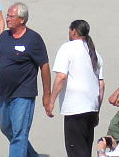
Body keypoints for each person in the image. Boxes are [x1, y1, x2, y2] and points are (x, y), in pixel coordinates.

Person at [0, 2, 51, 157]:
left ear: (22, 19)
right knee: (5, 127)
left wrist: (47, 94)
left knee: (19, 133)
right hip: (4, 91)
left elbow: (44, 66)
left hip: (24, 92)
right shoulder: (4, 36)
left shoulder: (33, 39)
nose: (7, 19)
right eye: (8, 16)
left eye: (11, 16)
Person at [47, 20, 104, 157]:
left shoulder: (67, 48)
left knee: (76, 152)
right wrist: (97, 111)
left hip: (75, 108)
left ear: (73, 31)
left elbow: (61, 77)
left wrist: (51, 101)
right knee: (85, 149)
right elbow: (101, 85)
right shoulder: (94, 53)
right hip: (91, 107)